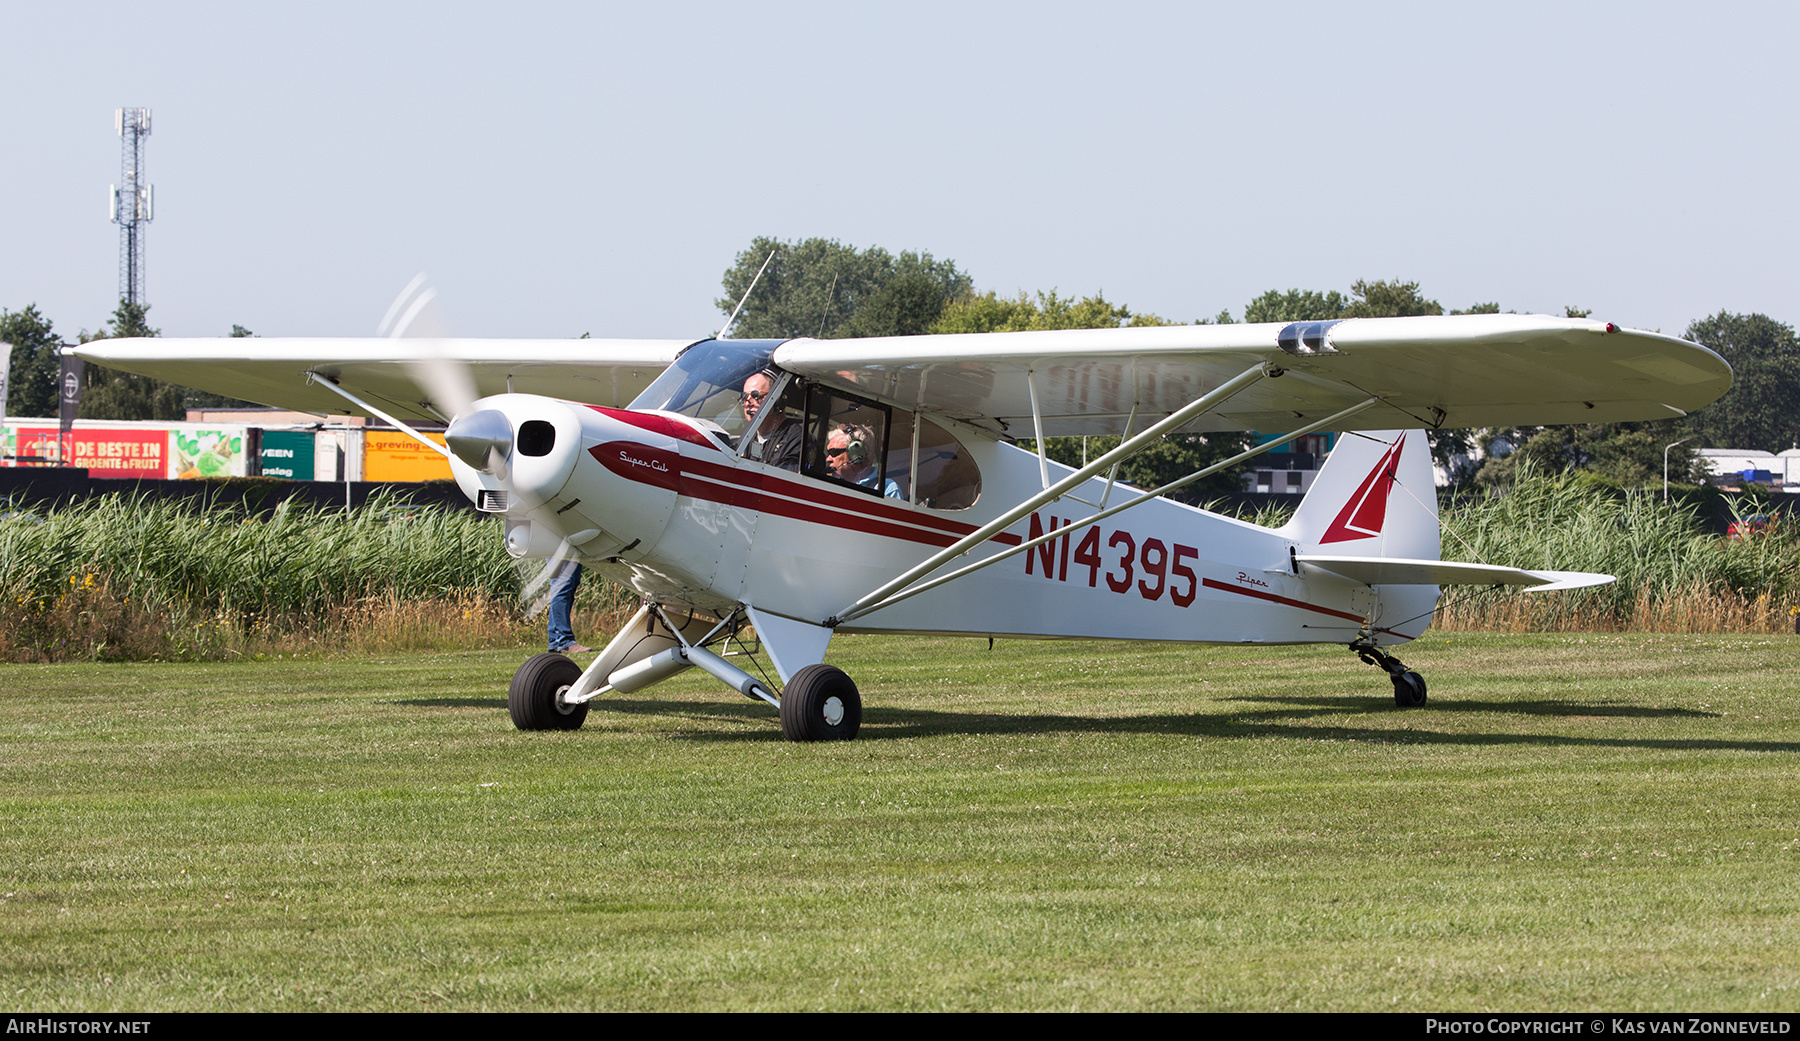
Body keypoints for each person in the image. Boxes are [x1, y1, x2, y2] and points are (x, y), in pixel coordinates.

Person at [741, 370, 801, 471]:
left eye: (755, 396)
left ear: (777, 400)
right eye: (744, 397)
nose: (748, 403)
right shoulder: (747, 439)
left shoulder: (797, 440)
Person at [827, 424, 903, 498]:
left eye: (833, 452)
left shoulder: (887, 489)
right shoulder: (830, 484)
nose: (828, 459)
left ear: (856, 454)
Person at [547, 560, 589, 654]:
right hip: (561, 547)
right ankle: (564, 641)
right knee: (562, 585)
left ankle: (555, 641)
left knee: (571, 583)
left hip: (572, 548)